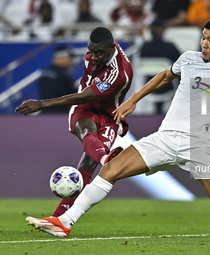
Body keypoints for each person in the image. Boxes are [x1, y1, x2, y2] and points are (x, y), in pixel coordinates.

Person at [21, 19, 210, 238]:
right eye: (202, 38)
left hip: (199, 146)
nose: (204, 44)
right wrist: (133, 100)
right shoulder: (189, 59)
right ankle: (65, 222)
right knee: (111, 169)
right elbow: (163, 77)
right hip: (166, 138)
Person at [16, 27, 133, 218]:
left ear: (112, 49)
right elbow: (84, 99)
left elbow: (84, 95)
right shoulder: (97, 50)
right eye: (91, 51)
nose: (93, 57)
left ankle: (57, 218)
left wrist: (42, 104)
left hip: (109, 115)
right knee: (87, 132)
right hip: (85, 108)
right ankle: (106, 159)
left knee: (87, 164)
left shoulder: (119, 74)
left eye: (99, 53)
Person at [139, 18, 181, 114]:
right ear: (162, 30)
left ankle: (158, 111)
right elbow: (181, 64)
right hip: (169, 87)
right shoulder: (169, 47)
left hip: (150, 87)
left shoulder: (144, 47)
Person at [38, 46, 76, 114]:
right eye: (69, 57)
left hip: (45, 114)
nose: (71, 60)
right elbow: (73, 96)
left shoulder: (44, 73)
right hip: (61, 115)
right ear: (61, 58)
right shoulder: (63, 75)